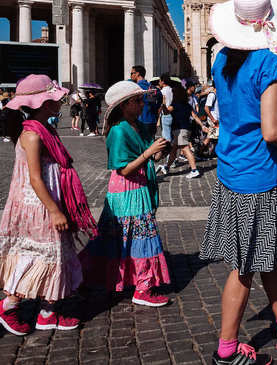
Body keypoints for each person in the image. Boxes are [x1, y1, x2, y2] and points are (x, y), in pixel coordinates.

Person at [198, 0, 277, 365]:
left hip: (231, 166)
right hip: (256, 174)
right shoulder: (268, 63)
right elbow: (271, 130)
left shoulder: (221, 60)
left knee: (264, 255)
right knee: (245, 265)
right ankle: (227, 351)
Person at [0, 75, 96, 335]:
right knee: (38, 257)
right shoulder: (32, 134)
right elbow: (34, 177)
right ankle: (9, 307)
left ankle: (47, 312)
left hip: (49, 200)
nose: (60, 102)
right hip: (38, 205)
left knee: (55, 255)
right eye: (54, 99)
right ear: (42, 103)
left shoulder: (44, 129)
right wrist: (53, 210)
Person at [80, 81, 171, 307]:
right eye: (137, 101)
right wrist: (149, 152)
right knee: (136, 236)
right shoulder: (119, 131)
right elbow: (123, 168)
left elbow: (149, 156)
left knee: (129, 237)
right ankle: (142, 288)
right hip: (127, 190)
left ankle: (121, 280)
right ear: (124, 105)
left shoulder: (137, 125)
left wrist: (160, 150)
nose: (142, 104)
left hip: (138, 187)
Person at [158, 82, 201, 178]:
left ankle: (194, 170)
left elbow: (166, 112)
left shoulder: (175, 104)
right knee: (173, 150)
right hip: (186, 129)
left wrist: (163, 104)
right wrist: (202, 125)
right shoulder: (186, 105)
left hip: (180, 130)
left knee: (185, 148)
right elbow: (194, 116)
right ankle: (167, 167)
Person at [130, 65, 161, 141]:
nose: (130, 76)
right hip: (152, 120)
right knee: (150, 145)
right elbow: (160, 102)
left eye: (132, 73)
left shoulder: (135, 88)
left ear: (137, 74)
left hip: (139, 121)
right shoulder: (153, 88)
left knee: (140, 146)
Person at [158, 73, 174, 142]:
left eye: (159, 81)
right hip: (172, 114)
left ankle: (168, 152)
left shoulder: (162, 92)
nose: (159, 82)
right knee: (171, 134)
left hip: (165, 114)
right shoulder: (172, 90)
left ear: (163, 81)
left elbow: (161, 104)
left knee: (166, 137)